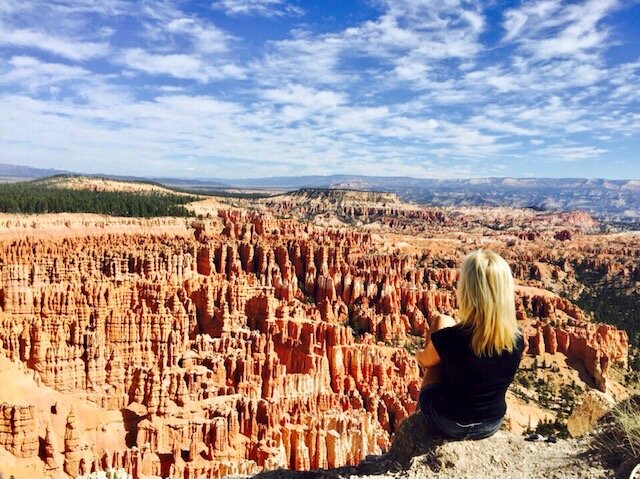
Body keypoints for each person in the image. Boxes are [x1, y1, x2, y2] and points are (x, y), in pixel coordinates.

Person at [414, 249, 524, 440]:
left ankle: (419, 418)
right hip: (490, 424)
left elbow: (424, 362)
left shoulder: (451, 339)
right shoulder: (517, 339)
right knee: (443, 322)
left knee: (436, 350)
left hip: (449, 423)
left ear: (468, 291)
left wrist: (418, 352)